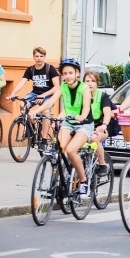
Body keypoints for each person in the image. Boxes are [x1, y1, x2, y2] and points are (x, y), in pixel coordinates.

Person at [47, 58, 93, 198]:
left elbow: (86, 107)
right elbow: (51, 100)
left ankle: (84, 181)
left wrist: (82, 116)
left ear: (77, 73)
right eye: (65, 73)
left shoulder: (84, 88)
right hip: (68, 123)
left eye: (70, 73)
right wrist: (35, 111)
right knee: (58, 149)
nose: (68, 76)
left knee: (71, 150)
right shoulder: (63, 88)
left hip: (84, 124)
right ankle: (58, 181)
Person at [9, 46, 60, 143]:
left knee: (45, 112)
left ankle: (44, 139)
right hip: (35, 94)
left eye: (41, 56)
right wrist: (13, 93)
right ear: (33, 57)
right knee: (22, 105)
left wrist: (43, 95)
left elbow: (56, 87)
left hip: (48, 95)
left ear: (44, 57)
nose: (39, 58)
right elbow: (22, 82)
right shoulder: (30, 70)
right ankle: (31, 126)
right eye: (37, 56)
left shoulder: (50, 69)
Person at [83, 70, 113, 176]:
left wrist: (104, 125)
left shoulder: (102, 96)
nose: (90, 83)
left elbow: (107, 112)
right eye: (87, 81)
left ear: (97, 83)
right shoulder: (80, 94)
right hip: (85, 126)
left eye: (93, 81)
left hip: (100, 126)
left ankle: (102, 164)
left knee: (94, 138)